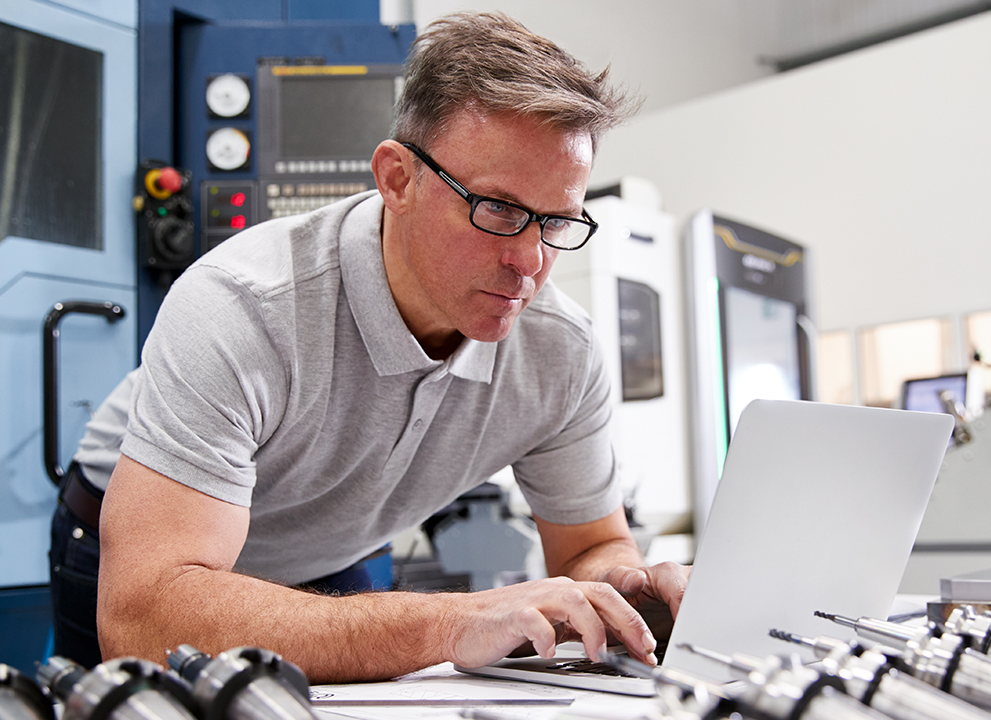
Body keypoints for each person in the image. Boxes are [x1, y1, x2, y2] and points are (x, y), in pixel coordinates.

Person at [50, 11, 689, 682]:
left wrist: (625, 586)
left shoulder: (562, 352)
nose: (530, 262)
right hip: (144, 559)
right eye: (499, 210)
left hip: (322, 558)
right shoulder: (246, 304)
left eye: (556, 220)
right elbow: (146, 618)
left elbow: (589, 544)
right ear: (397, 179)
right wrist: (450, 620)